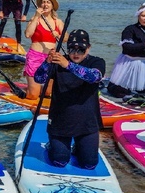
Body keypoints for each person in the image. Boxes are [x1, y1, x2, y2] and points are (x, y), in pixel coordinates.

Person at [32, 29, 104, 169]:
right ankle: (53, 145)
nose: (76, 54)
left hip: (87, 123)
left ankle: (79, 147)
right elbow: (38, 78)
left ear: (88, 48)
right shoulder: (58, 61)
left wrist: (68, 65)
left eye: (81, 50)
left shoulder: (96, 61)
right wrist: (47, 63)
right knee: (59, 161)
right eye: (72, 49)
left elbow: (95, 77)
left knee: (89, 164)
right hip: (61, 121)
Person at [23, 0, 65, 100]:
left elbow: (66, 39)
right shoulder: (35, 19)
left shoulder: (58, 22)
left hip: (50, 59)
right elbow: (28, 34)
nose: (45, 4)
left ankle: (38, 88)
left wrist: (59, 35)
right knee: (33, 96)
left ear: (52, 6)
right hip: (35, 57)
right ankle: (29, 91)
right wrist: (36, 16)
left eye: (48, 2)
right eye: (43, 2)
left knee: (48, 93)